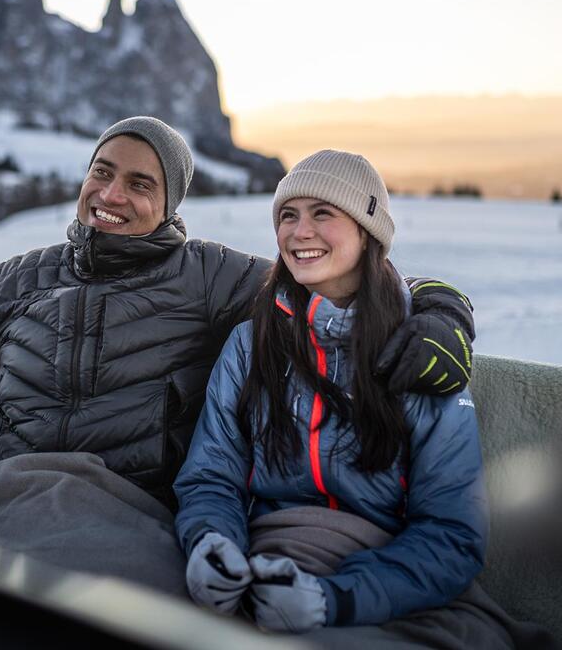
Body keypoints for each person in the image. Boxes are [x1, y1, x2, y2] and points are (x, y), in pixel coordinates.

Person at [0, 122, 474, 516]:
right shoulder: (18, 279)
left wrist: (441, 309)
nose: (111, 194)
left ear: (170, 203)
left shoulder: (210, 276)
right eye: (101, 172)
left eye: (141, 183)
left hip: (126, 512)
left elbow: (338, 280)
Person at [174, 149, 488, 634]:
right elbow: (211, 476)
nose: (299, 232)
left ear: (368, 232)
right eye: (287, 216)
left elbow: (451, 533)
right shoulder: (252, 342)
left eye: (323, 213)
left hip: (384, 579)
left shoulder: (421, 351)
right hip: (260, 561)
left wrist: (336, 599)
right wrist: (209, 542)